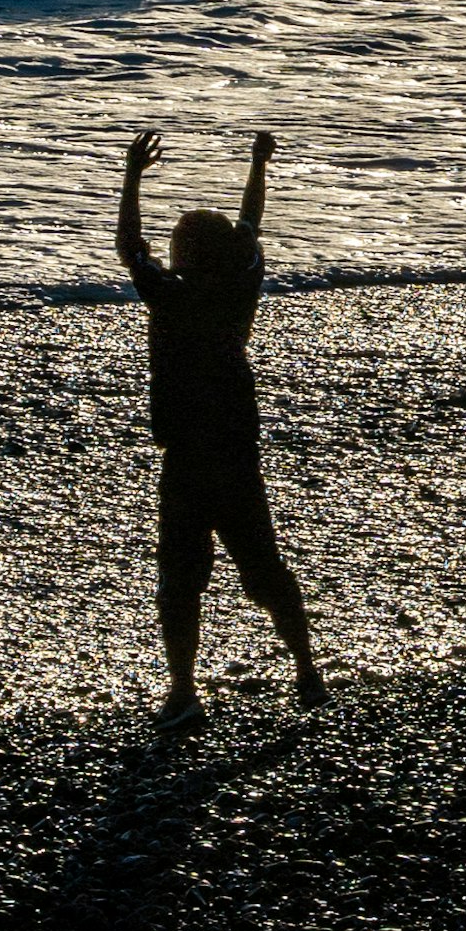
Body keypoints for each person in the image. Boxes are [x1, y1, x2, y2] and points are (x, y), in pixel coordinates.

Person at [117, 128, 324, 728]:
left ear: (188, 254)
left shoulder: (172, 297)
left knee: (181, 578)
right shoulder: (240, 289)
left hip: (186, 457)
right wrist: (258, 164)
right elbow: (250, 225)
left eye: (179, 240)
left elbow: (129, 245)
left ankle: (183, 690)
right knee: (263, 567)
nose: (172, 248)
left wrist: (131, 177)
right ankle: (307, 671)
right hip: (236, 454)